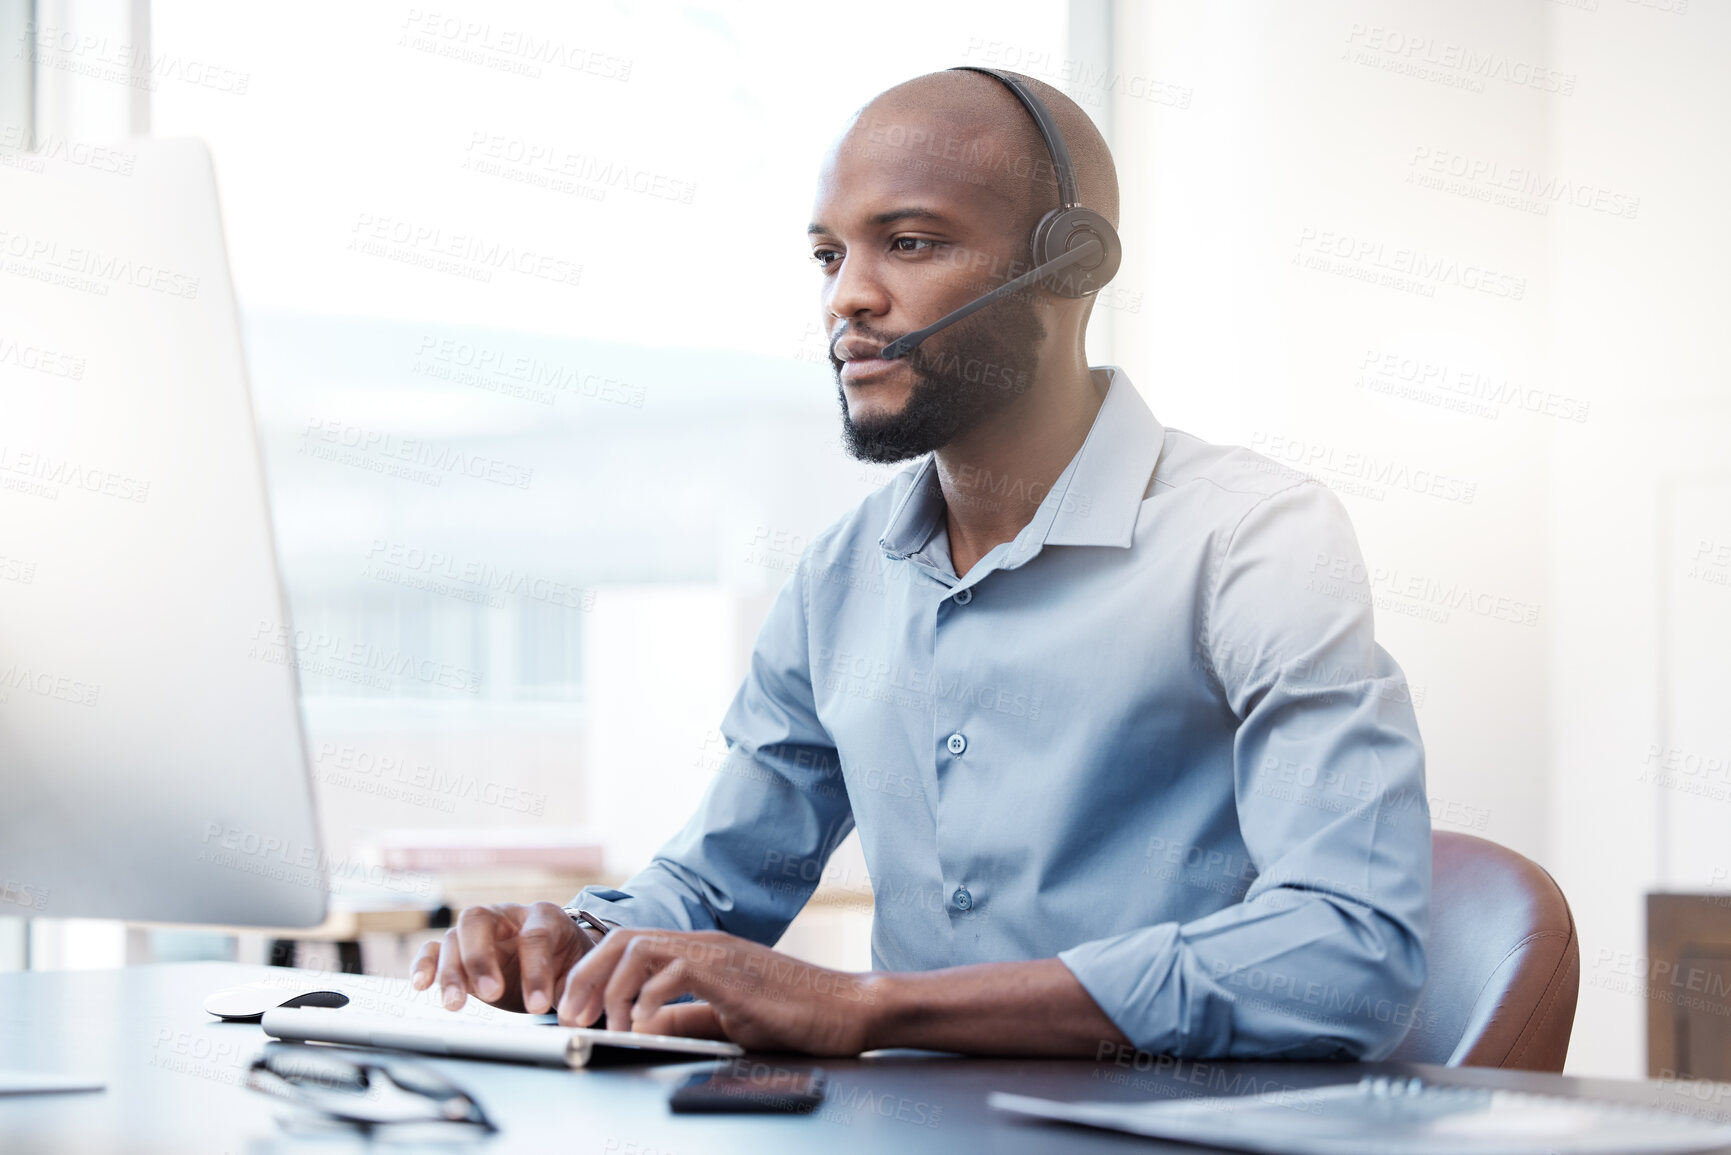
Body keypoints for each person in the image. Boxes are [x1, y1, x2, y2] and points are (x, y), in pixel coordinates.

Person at [411, 68, 1430, 1060]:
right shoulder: (840, 576)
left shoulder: (1254, 539)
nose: (848, 299)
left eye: (909, 243)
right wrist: (573, 947)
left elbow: (1350, 951)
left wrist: (876, 1009)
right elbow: (717, 888)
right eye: (826, 257)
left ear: (1071, 265)